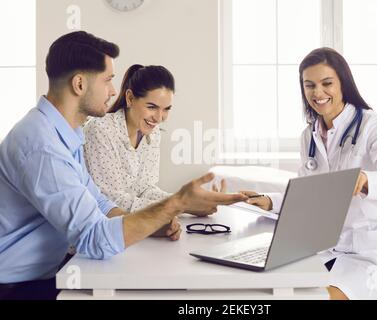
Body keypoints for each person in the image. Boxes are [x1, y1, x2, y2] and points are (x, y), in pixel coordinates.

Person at [0, 31, 246, 300]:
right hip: (19, 286)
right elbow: (94, 237)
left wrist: (154, 221)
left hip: (50, 272)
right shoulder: (42, 145)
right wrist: (176, 204)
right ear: (79, 84)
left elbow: (100, 204)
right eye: (108, 80)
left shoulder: (64, 134)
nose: (113, 90)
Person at [242, 47, 377, 300]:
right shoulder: (309, 136)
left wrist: (367, 180)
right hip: (328, 248)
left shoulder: (373, 126)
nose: (318, 93)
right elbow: (309, 196)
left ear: (343, 84)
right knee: (270, 292)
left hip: (376, 251)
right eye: (309, 85)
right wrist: (269, 200)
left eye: (327, 83)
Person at [83, 65, 176, 211]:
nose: (159, 118)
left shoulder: (153, 133)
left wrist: (185, 201)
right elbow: (110, 199)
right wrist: (176, 206)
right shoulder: (101, 130)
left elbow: (145, 189)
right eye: (152, 107)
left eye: (166, 109)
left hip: (130, 223)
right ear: (130, 98)